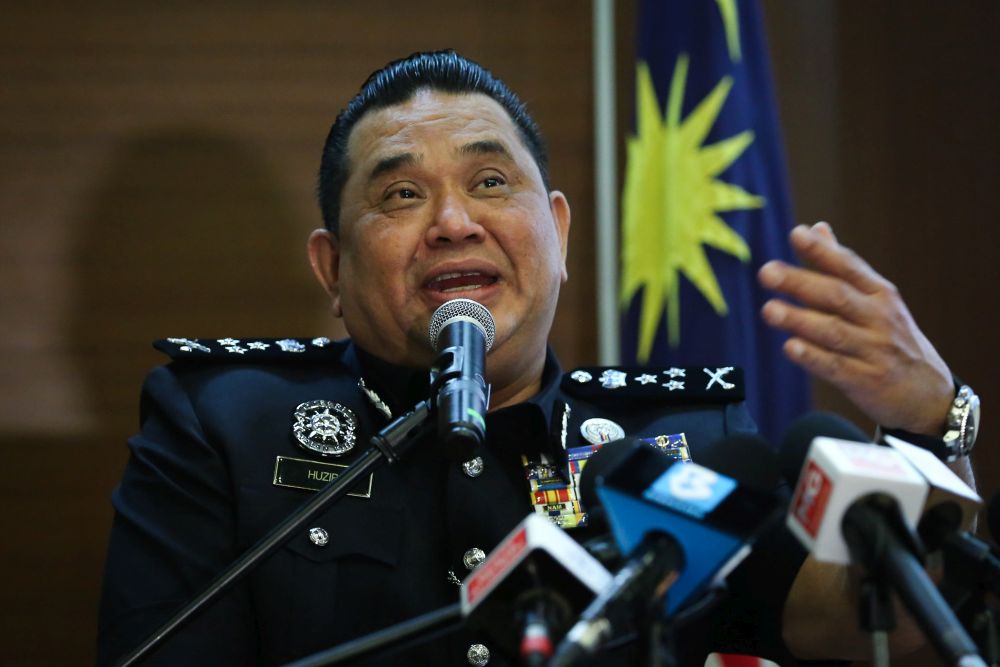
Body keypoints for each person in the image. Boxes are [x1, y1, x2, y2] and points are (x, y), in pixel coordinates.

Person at [98, 50, 979, 666]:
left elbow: (884, 624)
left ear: (556, 234)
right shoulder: (223, 425)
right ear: (332, 267)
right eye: (401, 193)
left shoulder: (684, 441)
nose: (453, 221)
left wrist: (929, 425)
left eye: (490, 182)